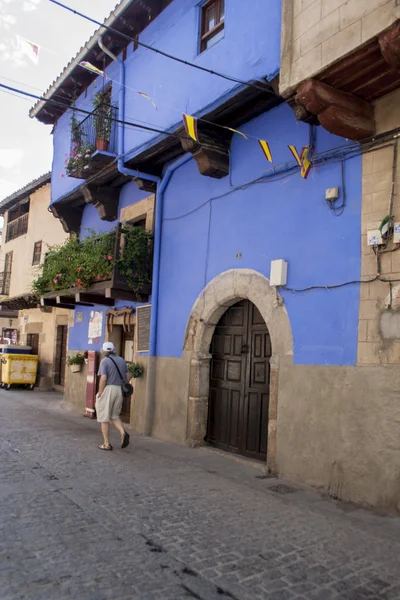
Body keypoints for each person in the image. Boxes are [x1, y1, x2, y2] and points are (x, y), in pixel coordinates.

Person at [96, 341, 130, 451]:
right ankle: (123, 432)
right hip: (119, 389)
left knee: (104, 417)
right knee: (114, 415)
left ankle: (106, 444)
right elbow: (128, 376)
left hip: (108, 389)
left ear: (104, 351)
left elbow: (103, 378)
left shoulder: (105, 361)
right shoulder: (121, 360)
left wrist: (100, 393)